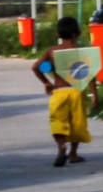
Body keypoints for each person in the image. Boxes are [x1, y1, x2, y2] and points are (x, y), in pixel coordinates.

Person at [32, 15, 94, 168]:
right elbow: (91, 76)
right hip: (77, 92)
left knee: (58, 122)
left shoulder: (52, 51)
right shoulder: (82, 53)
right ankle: (73, 154)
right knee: (77, 124)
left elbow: (36, 67)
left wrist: (47, 82)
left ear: (57, 35)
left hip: (59, 92)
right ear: (78, 33)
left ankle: (61, 146)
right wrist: (95, 96)